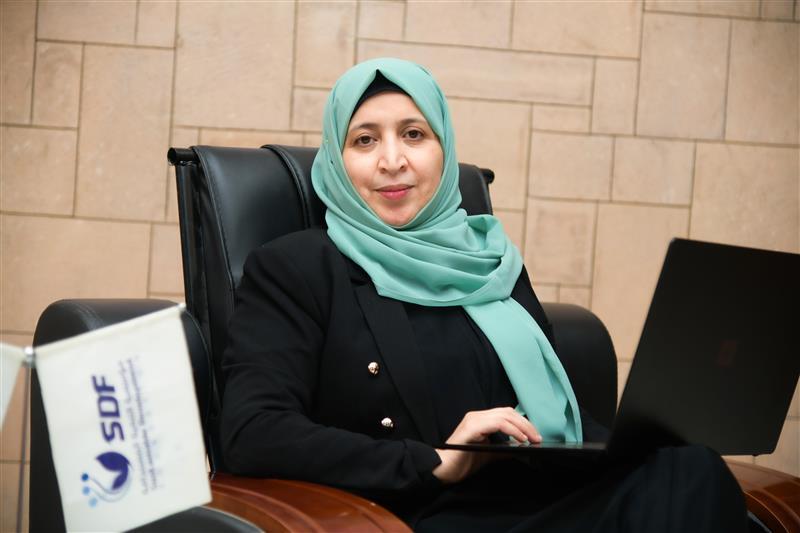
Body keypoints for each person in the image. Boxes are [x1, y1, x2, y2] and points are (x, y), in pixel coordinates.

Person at [220, 58, 747, 531]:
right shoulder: (298, 268)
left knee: (687, 466)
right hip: (422, 513)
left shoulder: (488, 259)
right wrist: (433, 459)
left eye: (413, 134)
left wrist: (637, 441)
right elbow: (252, 430)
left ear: (444, 150)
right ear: (337, 161)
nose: (392, 159)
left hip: (541, 493)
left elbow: (549, 411)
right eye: (365, 140)